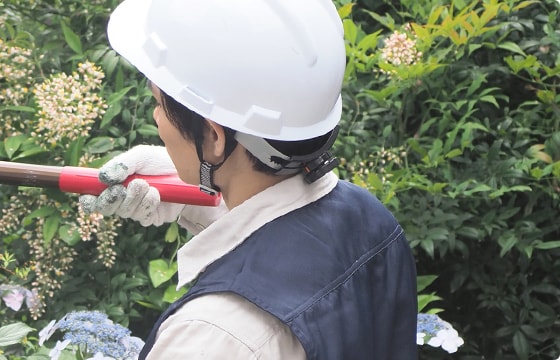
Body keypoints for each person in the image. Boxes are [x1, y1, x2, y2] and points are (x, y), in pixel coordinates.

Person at [78, 0, 419, 359]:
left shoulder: (212, 338)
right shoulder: (371, 221)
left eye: (159, 103)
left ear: (212, 137)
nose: (155, 117)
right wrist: (192, 196)